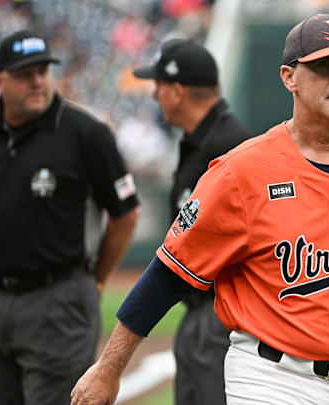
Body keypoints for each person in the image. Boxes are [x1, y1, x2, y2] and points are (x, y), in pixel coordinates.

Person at [71, 13, 329, 405]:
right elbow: (168, 274)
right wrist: (109, 369)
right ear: (289, 76)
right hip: (270, 378)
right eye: (326, 66)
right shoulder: (241, 172)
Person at [0, 30, 140, 405]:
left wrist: (96, 281)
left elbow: (126, 215)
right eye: (25, 74)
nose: (37, 81)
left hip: (58, 298)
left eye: (43, 71)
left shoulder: (85, 133)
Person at [132, 38, 254, 405]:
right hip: (201, 313)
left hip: (223, 317)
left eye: (158, 86)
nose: (154, 95)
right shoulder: (202, 141)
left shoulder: (231, 146)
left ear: (177, 91)